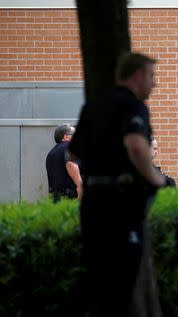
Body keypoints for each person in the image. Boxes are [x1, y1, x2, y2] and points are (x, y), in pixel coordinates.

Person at [66, 52, 167, 317]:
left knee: (96, 275)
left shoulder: (93, 105)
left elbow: (74, 153)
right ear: (137, 75)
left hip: (93, 202)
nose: (153, 83)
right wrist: (156, 179)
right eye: (151, 76)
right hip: (121, 204)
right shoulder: (133, 106)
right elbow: (135, 145)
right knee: (124, 280)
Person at [45, 124, 82, 202]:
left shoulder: (51, 153)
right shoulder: (69, 146)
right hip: (70, 197)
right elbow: (71, 164)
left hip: (56, 198)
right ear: (66, 137)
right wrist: (80, 186)